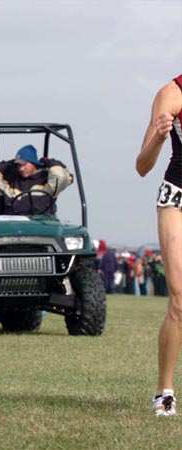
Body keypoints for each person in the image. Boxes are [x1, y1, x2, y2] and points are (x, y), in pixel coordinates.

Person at [135, 73, 182, 416]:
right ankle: (164, 389)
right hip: (177, 197)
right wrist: (159, 137)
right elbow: (142, 165)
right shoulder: (172, 93)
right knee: (180, 298)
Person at [0, 144, 73, 215]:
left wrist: (48, 161)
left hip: (42, 225)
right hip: (12, 225)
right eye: (18, 165)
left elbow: (61, 176)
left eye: (24, 164)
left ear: (34, 163)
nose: (21, 169)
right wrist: (8, 163)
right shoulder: (11, 180)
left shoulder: (47, 180)